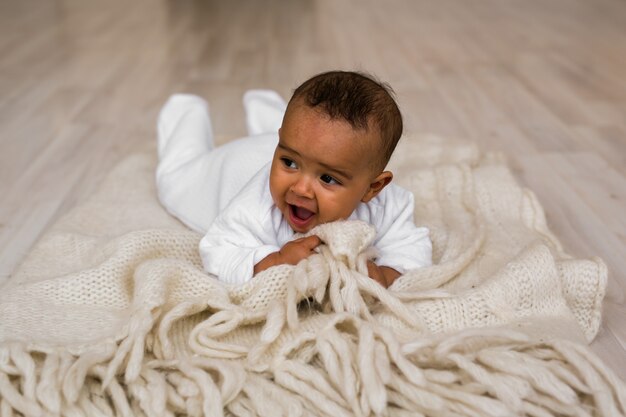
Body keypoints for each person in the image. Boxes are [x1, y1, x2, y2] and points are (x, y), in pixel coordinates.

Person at [156, 71, 432, 288]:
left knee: (306, 144)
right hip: (229, 167)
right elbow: (218, 250)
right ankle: (186, 110)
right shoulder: (254, 206)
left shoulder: (389, 206)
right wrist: (275, 262)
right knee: (174, 178)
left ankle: (268, 114)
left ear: (373, 188)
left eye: (327, 178)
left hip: (282, 146)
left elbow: (411, 250)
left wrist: (386, 275)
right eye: (288, 161)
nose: (300, 188)